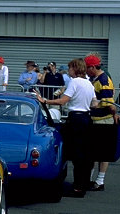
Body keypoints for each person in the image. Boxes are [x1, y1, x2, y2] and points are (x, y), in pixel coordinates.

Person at [36, 58, 95, 198]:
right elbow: (95, 103)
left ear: (75, 69)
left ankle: (77, 187)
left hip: (76, 118)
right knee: (84, 153)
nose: (68, 72)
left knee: (73, 152)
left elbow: (63, 100)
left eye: (70, 69)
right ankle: (83, 184)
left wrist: (45, 100)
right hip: (86, 118)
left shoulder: (74, 82)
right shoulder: (89, 83)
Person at [85, 54, 115, 192]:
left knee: (103, 152)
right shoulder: (93, 78)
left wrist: (98, 104)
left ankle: (100, 180)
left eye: (87, 67)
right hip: (95, 120)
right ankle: (89, 179)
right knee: (93, 151)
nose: (85, 70)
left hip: (103, 120)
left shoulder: (104, 80)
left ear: (92, 67)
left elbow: (111, 104)